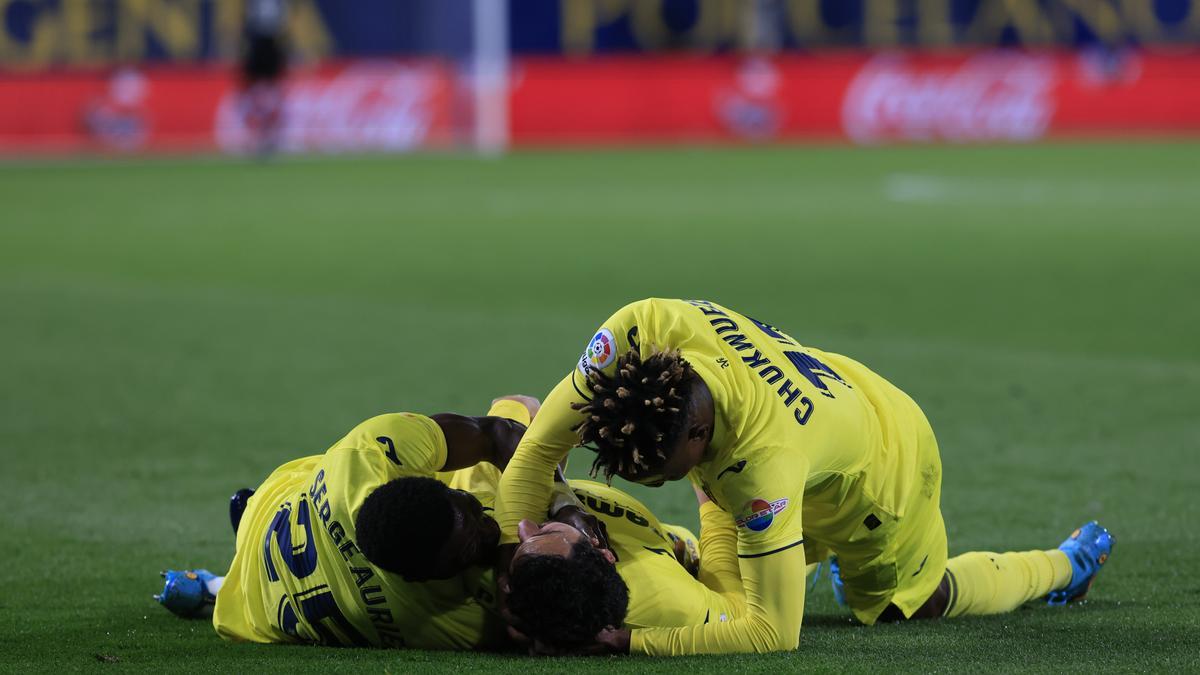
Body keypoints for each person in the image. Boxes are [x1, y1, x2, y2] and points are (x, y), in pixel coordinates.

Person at [493, 298, 1114, 655]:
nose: (649, 483)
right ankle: (774, 554)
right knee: (723, 585)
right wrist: (512, 564)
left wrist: (628, 643)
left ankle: (1062, 566)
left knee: (909, 606)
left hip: (881, 467)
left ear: (698, 436)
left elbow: (773, 634)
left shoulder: (763, 469)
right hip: (811, 414)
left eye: (658, 475)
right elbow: (535, 453)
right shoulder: (643, 330)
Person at [159, 395, 586, 649]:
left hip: (270, 527)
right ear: (421, 579)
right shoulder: (442, 618)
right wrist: (563, 514)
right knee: (529, 411)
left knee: (521, 423)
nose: (488, 530)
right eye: (469, 551)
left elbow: (494, 434)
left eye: (469, 510)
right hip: (264, 578)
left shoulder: (364, 458)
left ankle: (227, 564)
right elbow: (550, 624)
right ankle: (219, 579)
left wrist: (534, 528)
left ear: (433, 484)